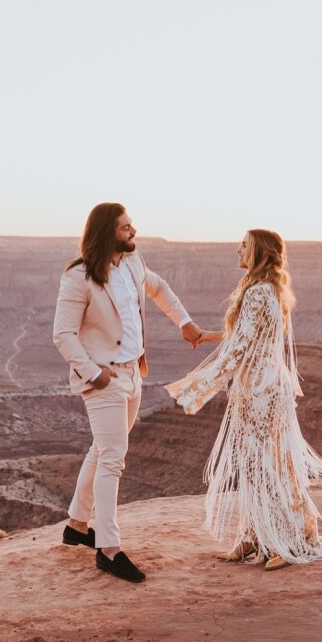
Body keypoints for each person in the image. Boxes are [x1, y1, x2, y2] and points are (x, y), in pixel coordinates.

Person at [165, 229, 322, 570]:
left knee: (262, 465)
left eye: (244, 245)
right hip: (266, 387)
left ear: (259, 251)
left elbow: (242, 346)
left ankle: (281, 542)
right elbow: (246, 334)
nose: (237, 249)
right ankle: (255, 536)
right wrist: (208, 337)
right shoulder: (270, 290)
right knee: (258, 463)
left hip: (259, 391)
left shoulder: (258, 292)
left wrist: (201, 385)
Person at [52, 202, 204, 583]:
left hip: (133, 374)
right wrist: (93, 374)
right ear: (107, 232)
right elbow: (63, 334)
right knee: (113, 460)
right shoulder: (78, 277)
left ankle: (76, 525)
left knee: (101, 451)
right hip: (104, 379)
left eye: (132, 225)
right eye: (125, 227)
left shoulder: (133, 264)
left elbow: (159, 288)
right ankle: (108, 548)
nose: (133, 231)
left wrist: (184, 323)